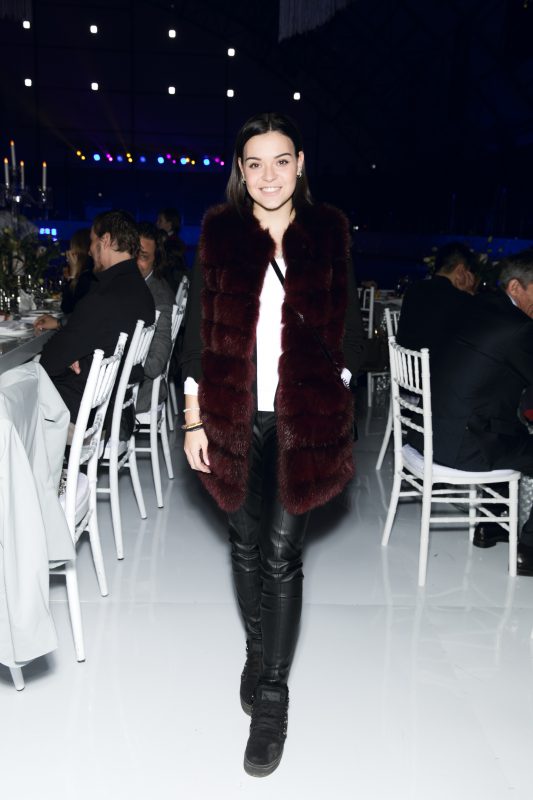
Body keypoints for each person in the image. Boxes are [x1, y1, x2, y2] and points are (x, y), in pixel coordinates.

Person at [181, 112, 363, 777]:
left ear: (300, 163)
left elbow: (350, 329)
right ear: (240, 170)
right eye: (254, 163)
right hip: (231, 414)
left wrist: (337, 387)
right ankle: (257, 649)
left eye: (280, 160)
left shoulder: (328, 232)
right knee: (244, 544)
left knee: (283, 555)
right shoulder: (220, 234)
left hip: (303, 419)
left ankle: (272, 698)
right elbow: (195, 331)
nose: (267, 176)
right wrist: (192, 420)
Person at [414, 249, 533, 575]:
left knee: (511, 428)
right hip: (463, 445)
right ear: (515, 287)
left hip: (429, 431)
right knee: (510, 433)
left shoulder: (475, 307)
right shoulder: (518, 327)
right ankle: (529, 551)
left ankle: (491, 525)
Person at [38, 210, 155, 421]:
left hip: (81, 410)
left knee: (15, 387)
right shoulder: (141, 290)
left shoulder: (104, 296)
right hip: (112, 404)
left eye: (92, 241)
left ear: (106, 240)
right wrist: (75, 355)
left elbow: (48, 361)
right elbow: (101, 336)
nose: (90, 251)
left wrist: (71, 356)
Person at [396, 242, 479, 355]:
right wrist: (469, 293)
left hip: (405, 361)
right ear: (460, 270)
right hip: (435, 364)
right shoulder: (458, 298)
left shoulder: (413, 288)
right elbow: (477, 329)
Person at [135, 222, 175, 413]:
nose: (135, 261)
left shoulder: (159, 298)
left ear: (155, 261)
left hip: (140, 394)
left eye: (143, 256)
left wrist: (122, 354)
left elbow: (155, 364)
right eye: (133, 253)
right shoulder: (133, 285)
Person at [60, 228, 94, 314]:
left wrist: (73, 274)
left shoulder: (87, 277)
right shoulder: (88, 272)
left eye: (71, 248)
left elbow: (67, 308)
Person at [156, 207, 187, 291]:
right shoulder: (173, 242)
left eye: (160, 221)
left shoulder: (173, 245)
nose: (157, 224)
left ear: (169, 225)